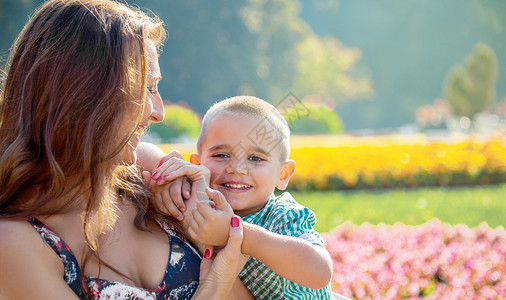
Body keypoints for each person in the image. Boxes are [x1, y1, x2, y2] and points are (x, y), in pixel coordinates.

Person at [0, 1, 249, 299]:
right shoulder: (14, 242)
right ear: (84, 91)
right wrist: (214, 285)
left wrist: (201, 219)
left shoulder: (150, 175)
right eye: (145, 87)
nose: (159, 112)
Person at [146, 96, 334, 299]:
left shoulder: (281, 216)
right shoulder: (199, 206)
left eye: (256, 158)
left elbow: (320, 272)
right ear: (198, 164)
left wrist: (235, 233)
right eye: (221, 155)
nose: (237, 169)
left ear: (283, 174)